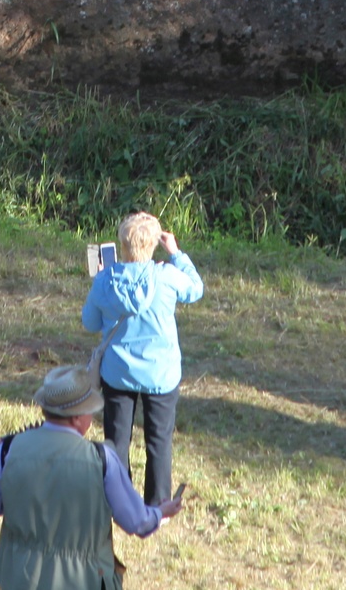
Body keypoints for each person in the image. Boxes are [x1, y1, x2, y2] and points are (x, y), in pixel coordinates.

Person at [0, 364, 184, 590]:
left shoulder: (7, 450)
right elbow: (137, 522)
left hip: (22, 579)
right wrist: (161, 512)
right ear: (77, 417)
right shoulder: (102, 459)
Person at [81, 212, 203, 506]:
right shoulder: (168, 277)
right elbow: (196, 289)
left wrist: (102, 282)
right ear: (154, 245)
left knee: (117, 440)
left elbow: (90, 324)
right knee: (159, 441)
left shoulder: (105, 281)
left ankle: (119, 499)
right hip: (161, 374)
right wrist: (176, 254)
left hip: (117, 372)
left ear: (122, 245)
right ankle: (159, 504)